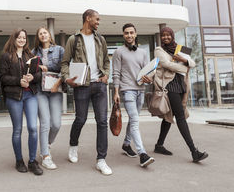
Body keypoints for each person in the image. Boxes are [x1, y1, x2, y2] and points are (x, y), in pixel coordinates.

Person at [61, 9, 112, 175]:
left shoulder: (101, 39)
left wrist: (106, 75)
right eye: (96, 19)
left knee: (102, 121)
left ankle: (101, 160)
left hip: (99, 85)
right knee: (80, 119)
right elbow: (65, 63)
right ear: (88, 18)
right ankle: (73, 146)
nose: (98, 22)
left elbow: (105, 60)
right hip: (82, 86)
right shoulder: (73, 39)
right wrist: (68, 78)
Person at [153, 27, 208, 163]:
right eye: (163, 35)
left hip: (182, 85)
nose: (165, 37)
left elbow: (193, 63)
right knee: (180, 117)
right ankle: (194, 151)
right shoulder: (159, 50)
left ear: (172, 36)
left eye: (168, 35)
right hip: (170, 86)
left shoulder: (180, 48)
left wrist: (184, 59)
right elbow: (167, 65)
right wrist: (185, 67)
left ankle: (159, 145)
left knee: (168, 117)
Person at [0, 29, 43, 175]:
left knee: (32, 127)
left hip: (30, 95)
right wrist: (19, 82)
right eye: (19, 37)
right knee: (17, 130)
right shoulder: (7, 56)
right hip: (14, 97)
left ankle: (32, 161)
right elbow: (3, 78)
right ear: (14, 39)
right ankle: (19, 160)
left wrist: (33, 78)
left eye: (24, 37)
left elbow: (39, 73)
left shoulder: (30, 55)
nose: (22, 39)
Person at [112, 23, 155, 168]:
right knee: (135, 120)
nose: (129, 35)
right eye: (126, 33)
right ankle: (142, 154)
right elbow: (116, 73)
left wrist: (149, 77)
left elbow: (147, 70)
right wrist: (116, 92)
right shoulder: (119, 52)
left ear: (135, 34)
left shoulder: (143, 52)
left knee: (132, 119)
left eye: (131, 33)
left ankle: (126, 144)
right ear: (123, 35)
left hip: (140, 90)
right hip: (127, 90)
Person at [32, 26, 65, 170]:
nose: (43, 35)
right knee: (45, 123)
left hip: (55, 89)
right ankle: (45, 156)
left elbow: (65, 68)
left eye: (45, 32)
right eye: (40, 33)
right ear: (38, 37)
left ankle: (47, 144)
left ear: (49, 35)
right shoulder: (33, 52)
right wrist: (39, 67)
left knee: (56, 124)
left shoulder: (59, 50)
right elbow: (31, 69)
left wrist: (49, 69)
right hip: (40, 90)